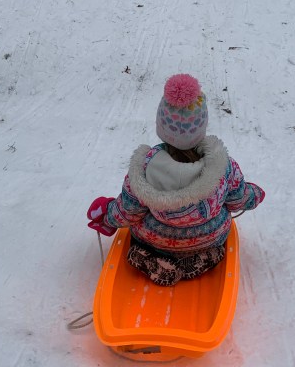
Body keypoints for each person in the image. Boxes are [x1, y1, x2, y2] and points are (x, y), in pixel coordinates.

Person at [87, 74, 265, 286]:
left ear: (162, 126)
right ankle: (201, 259)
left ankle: (149, 260)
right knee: (217, 251)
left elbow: (128, 211)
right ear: (201, 126)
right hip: (208, 240)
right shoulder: (223, 166)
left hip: (156, 242)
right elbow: (238, 199)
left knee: (137, 243)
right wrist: (255, 194)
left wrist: (107, 217)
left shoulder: (144, 168)